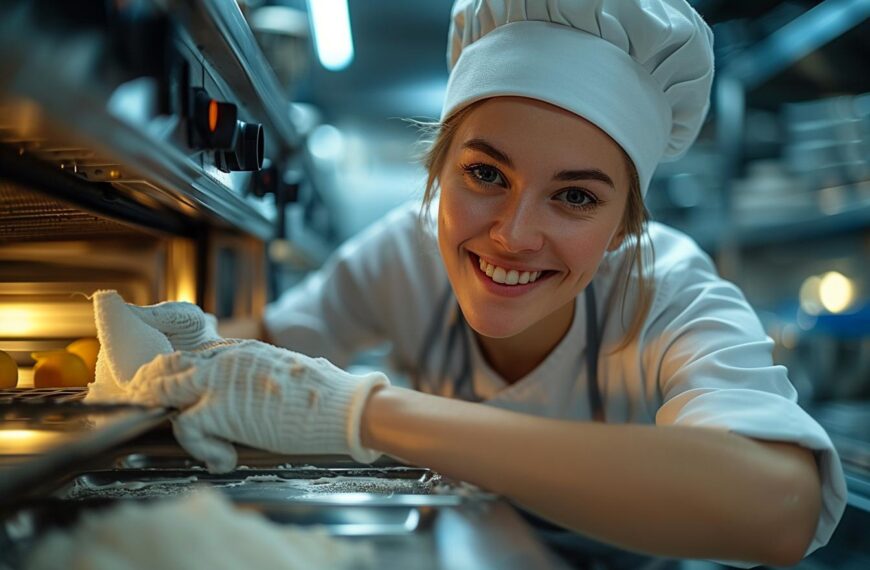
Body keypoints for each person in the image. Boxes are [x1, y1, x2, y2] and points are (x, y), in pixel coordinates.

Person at [112, 0, 846, 567]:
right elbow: (267, 356)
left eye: (577, 196)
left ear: (626, 225)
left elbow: (779, 507)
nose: (513, 234)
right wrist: (194, 351)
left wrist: (366, 412)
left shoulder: (670, 291)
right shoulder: (402, 254)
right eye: (486, 174)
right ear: (436, 173)